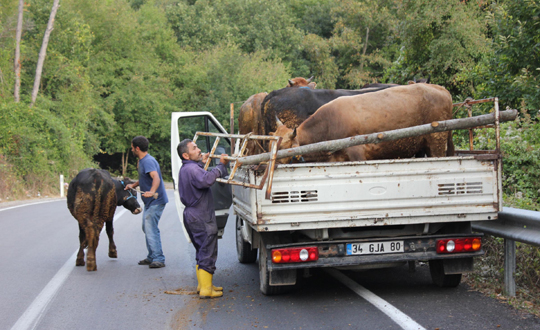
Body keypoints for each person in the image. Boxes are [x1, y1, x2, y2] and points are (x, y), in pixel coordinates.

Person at [177, 139, 229, 299]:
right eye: (195, 148)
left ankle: (204, 285)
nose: (199, 150)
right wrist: (221, 165)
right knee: (207, 250)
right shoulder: (193, 169)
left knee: (201, 250)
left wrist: (203, 162)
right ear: (186, 154)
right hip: (200, 215)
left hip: (192, 215)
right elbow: (207, 180)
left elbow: (201, 176)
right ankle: (206, 289)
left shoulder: (187, 168)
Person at [126, 136, 169, 268]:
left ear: (137, 148)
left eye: (132, 147)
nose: (131, 149)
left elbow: (155, 177)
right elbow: (145, 178)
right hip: (150, 202)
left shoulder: (148, 161)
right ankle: (152, 256)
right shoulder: (143, 161)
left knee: (150, 228)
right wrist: (134, 185)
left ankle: (158, 258)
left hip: (156, 200)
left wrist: (152, 190)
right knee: (146, 227)